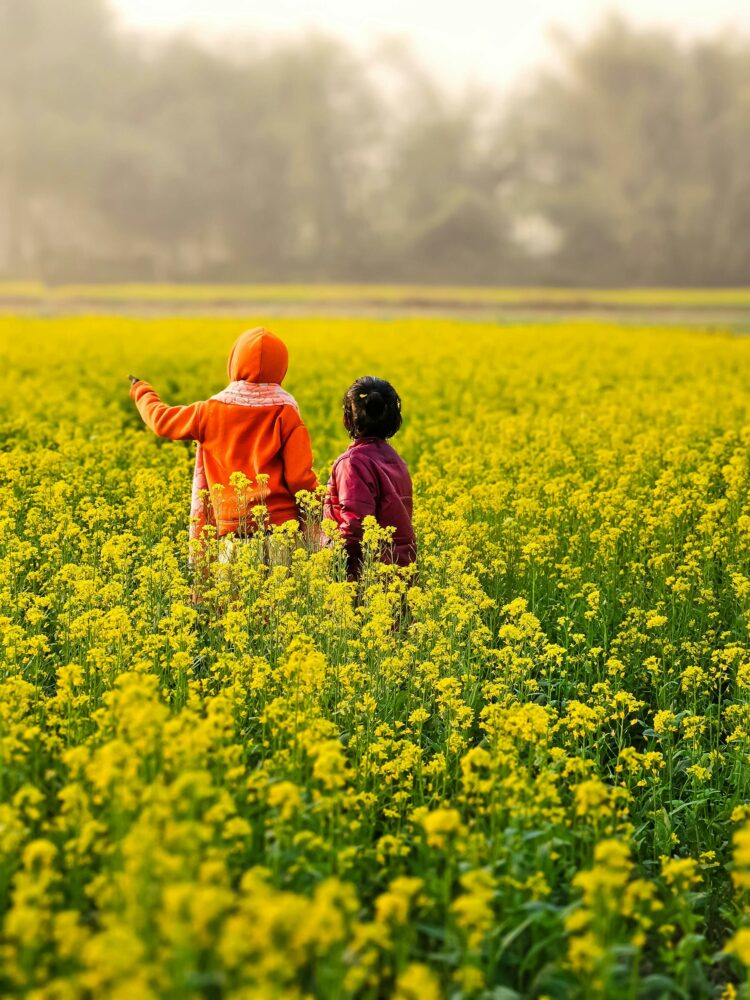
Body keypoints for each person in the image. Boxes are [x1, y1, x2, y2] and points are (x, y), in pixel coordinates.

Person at [128, 327, 317, 554]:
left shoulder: (209, 411)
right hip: (282, 531)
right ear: (281, 368)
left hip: (234, 534)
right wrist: (322, 506)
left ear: (234, 362)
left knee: (233, 589)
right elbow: (299, 478)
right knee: (281, 589)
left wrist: (142, 391)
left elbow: (161, 421)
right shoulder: (286, 412)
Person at [324, 376, 416, 581]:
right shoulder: (396, 460)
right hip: (398, 570)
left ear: (347, 419)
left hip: (365, 575)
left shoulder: (352, 463)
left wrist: (329, 554)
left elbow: (356, 525)